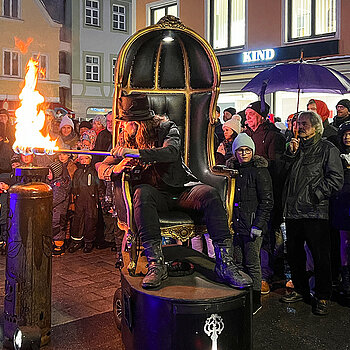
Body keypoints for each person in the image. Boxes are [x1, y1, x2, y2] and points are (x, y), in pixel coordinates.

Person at [98, 92, 252, 290]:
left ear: (142, 122)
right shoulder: (126, 137)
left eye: (130, 122)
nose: (126, 127)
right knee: (141, 193)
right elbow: (101, 166)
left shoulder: (166, 127)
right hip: (155, 196)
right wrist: (114, 169)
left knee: (209, 194)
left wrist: (136, 153)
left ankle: (225, 264)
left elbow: (171, 152)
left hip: (181, 190)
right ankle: (156, 265)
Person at [280, 111, 344, 316]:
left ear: (316, 127)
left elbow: (336, 178)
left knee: (320, 256)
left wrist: (315, 195)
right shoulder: (294, 148)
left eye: (305, 123)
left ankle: (323, 295)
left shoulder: (327, 149)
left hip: (315, 212)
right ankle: (300, 288)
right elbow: (283, 176)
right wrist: (290, 155)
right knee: (295, 255)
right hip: (292, 212)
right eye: (298, 123)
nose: (300, 126)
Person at [226, 133, 274, 314]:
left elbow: (267, 201)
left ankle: (255, 299)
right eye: (240, 150)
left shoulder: (260, 172)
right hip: (237, 224)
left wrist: (258, 225)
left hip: (252, 224)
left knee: (253, 262)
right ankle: (242, 297)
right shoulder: (232, 172)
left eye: (247, 150)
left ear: (252, 151)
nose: (244, 153)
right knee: (238, 262)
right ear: (235, 152)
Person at [244, 101, 286, 294]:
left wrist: (257, 163)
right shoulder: (248, 135)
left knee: (269, 234)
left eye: (250, 115)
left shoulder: (274, 136)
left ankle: (268, 274)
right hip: (250, 194)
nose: (247, 118)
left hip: (269, 192)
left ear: (260, 116)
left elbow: (277, 166)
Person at [330, 121, 350, 300]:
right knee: (343, 241)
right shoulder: (337, 154)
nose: (347, 137)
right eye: (345, 134)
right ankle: (345, 277)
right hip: (341, 201)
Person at [69, 154, 104, 253]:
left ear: (90, 159)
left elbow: (99, 185)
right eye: (81, 159)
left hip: (91, 199)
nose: (84, 161)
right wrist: (74, 196)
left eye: (86, 158)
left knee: (91, 220)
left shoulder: (93, 171)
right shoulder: (77, 172)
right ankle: (76, 241)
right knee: (78, 220)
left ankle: (89, 242)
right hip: (80, 199)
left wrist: (100, 196)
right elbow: (74, 185)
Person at [47, 161, 72, 256]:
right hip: (54, 211)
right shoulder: (53, 182)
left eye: (50, 172)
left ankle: (59, 246)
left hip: (59, 211)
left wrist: (47, 204)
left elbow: (57, 198)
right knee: (54, 227)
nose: (48, 174)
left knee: (58, 228)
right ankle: (54, 244)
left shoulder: (59, 184)